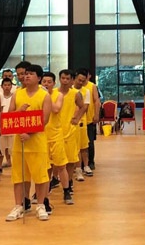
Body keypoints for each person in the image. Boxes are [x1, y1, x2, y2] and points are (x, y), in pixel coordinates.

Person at [5, 64, 52, 222]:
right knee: (19, 177)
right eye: (25, 74)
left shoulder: (44, 96)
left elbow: (45, 119)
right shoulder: (17, 94)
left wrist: (29, 133)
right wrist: (19, 112)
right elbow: (10, 116)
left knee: (40, 176)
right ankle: (18, 205)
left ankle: (41, 205)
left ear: (38, 78)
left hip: (37, 142)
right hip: (19, 143)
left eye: (31, 74)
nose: (26, 76)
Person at [41, 72, 72, 209]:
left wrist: (46, 96)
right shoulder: (38, 95)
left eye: (49, 82)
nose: (46, 84)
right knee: (45, 167)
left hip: (56, 134)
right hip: (42, 135)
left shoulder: (58, 95)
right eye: (44, 82)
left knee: (61, 166)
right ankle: (43, 193)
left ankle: (66, 191)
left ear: (54, 83)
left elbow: (56, 109)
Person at [58, 69, 85, 199]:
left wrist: (77, 118)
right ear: (59, 79)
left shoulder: (75, 94)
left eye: (67, 79)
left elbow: (83, 107)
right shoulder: (53, 93)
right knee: (53, 162)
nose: (65, 81)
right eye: (63, 78)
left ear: (71, 80)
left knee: (70, 160)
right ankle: (53, 181)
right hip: (56, 131)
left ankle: (68, 184)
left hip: (69, 130)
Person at [72, 69, 91, 181]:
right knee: (75, 147)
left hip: (81, 122)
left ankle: (86, 166)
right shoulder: (70, 90)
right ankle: (77, 169)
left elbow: (85, 107)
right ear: (74, 79)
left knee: (84, 146)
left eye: (83, 81)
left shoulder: (86, 91)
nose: (80, 82)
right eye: (79, 80)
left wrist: (77, 118)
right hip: (70, 123)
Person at [83, 70, 101, 172]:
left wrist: (96, 114)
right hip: (79, 120)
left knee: (90, 142)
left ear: (89, 76)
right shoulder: (74, 87)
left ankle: (91, 161)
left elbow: (97, 101)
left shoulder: (92, 86)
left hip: (89, 118)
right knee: (80, 143)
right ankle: (81, 163)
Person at [0, 78, 15, 169]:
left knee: (11, 147)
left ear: (11, 86)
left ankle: (10, 162)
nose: (7, 87)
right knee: (1, 147)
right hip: (2, 124)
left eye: (9, 85)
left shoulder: (14, 96)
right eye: (5, 85)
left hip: (12, 124)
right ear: (2, 86)